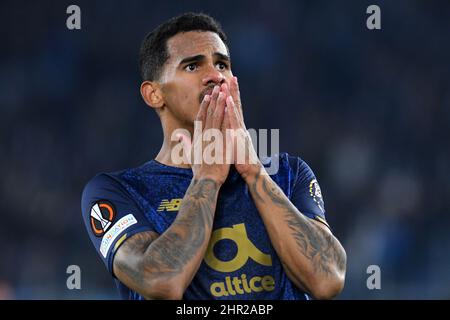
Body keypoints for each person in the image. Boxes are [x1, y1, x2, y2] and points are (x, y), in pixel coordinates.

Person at [81, 12, 346, 300]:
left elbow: (327, 279)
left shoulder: (287, 173)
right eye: (193, 66)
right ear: (154, 94)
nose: (215, 76)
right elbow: (161, 281)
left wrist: (254, 172)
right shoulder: (118, 192)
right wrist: (207, 178)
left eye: (222, 64)